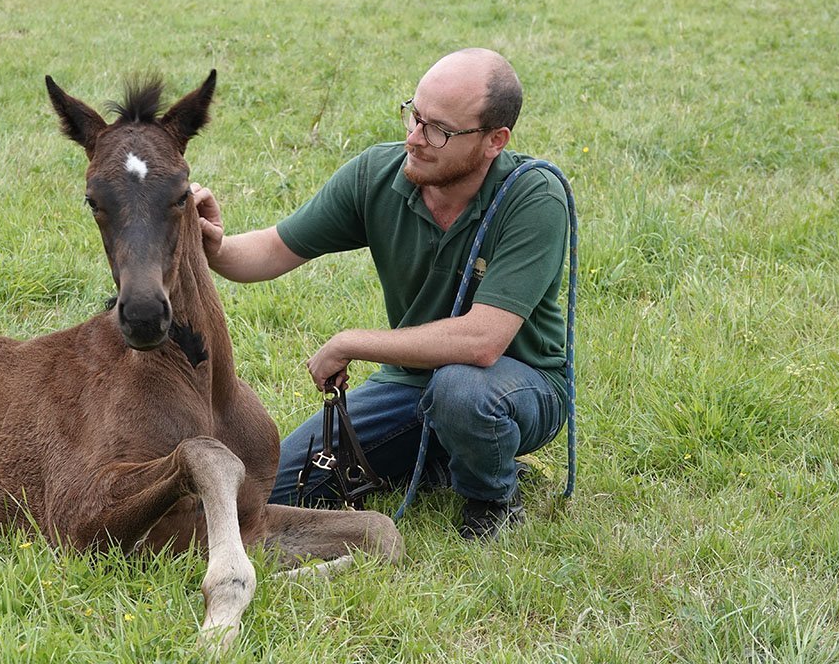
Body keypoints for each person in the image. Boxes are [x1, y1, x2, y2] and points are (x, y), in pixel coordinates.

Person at [192, 48, 569, 540]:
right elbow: (274, 249)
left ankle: (492, 498)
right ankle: (438, 460)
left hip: (516, 385)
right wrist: (214, 246)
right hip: (409, 385)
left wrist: (351, 342)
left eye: (439, 130)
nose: (414, 137)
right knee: (275, 490)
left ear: (494, 141)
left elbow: (483, 342)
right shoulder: (377, 174)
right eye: (415, 115)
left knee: (460, 392)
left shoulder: (533, 197)